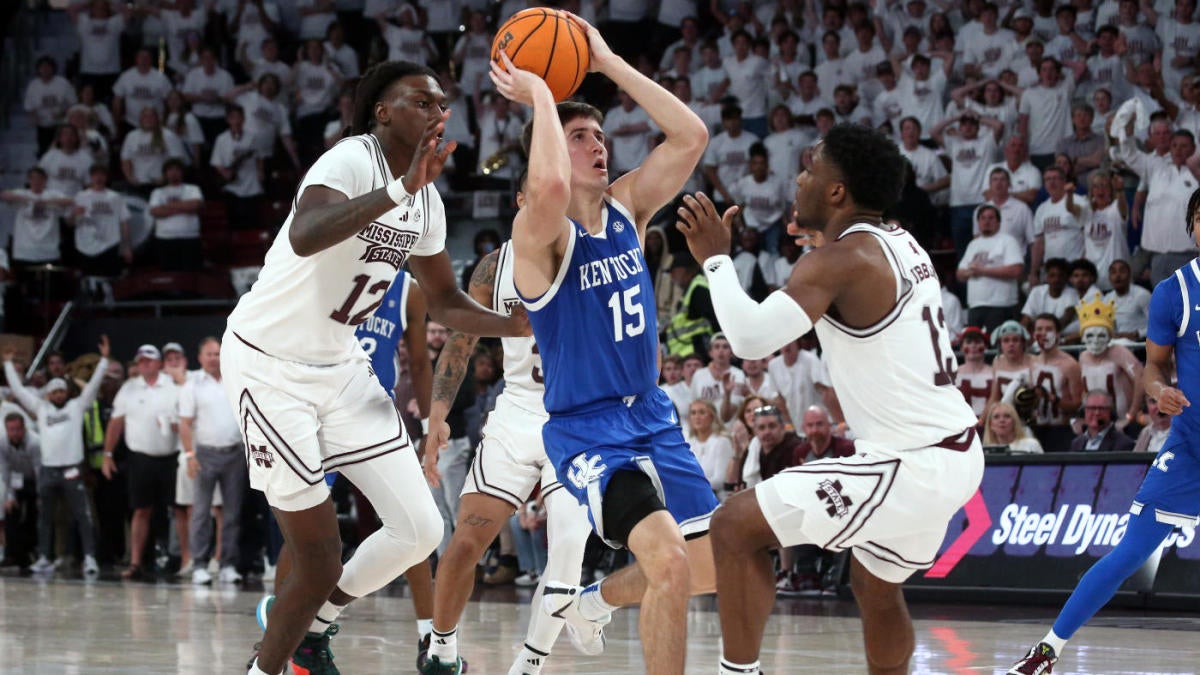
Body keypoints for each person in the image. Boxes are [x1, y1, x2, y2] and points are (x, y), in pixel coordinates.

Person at [220, 60, 525, 675]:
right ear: (382, 112)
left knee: (419, 530)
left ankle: (314, 627)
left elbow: (441, 301)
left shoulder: (428, 201)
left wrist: (516, 325)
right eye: (421, 101)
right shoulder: (350, 159)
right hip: (269, 367)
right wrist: (398, 188)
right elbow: (306, 235)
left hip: (341, 367)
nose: (438, 113)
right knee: (318, 558)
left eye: (443, 104)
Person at [676, 123, 983, 675]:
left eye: (811, 169)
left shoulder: (839, 263)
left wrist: (715, 260)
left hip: (911, 461)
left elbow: (748, 340)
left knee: (733, 527)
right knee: (874, 584)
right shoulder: (897, 242)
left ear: (838, 191)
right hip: (954, 451)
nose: (799, 179)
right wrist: (820, 248)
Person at [490, 17, 720, 672]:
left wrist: (609, 60)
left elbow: (691, 135)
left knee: (709, 566)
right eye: (580, 137)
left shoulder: (627, 208)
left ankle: (592, 600)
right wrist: (539, 95)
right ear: (550, 150)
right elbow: (552, 188)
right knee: (669, 559)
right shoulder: (537, 240)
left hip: (652, 414)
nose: (599, 146)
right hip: (589, 430)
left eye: (598, 134)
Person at [1008, 191, 1200, 675]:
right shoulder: (1173, 291)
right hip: (1191, 446)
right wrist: (1160, 392)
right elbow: (1152, 368)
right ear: (1190, 227)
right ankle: (1048, 650)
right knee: (1130, 551)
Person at [419, 231, 594, 675]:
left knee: (567, 550)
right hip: (516, 411)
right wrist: (437, 414)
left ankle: (530, 664)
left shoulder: (591, 253)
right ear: (522, 199)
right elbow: (461, 342)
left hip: (577, 416)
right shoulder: (494, 268)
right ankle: (441, 651)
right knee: (464, 542)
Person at [351, 267, 439, 662]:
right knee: (310, 538)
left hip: (378, 416)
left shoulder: (408, 289)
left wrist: (427, 428)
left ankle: (429, 639)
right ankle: (277, 644)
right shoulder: (331, 264)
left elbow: (419, 363)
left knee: (415, 525)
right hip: (322, 410)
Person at [3, 337, 108, 575]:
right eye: (55, 391)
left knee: (83, 515)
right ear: (49, 395)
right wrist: (8, 364)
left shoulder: (76, 407)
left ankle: (90, 557)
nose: (59, 394)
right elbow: (19, 391)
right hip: (48, 470)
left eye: (62, 390)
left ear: (66, 392)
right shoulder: (41, 408)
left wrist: (102, 362)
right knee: (45, 517)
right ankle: (43, 557)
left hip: (72, 469)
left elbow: (92, 388)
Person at [101, 344, 182, 580]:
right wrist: (107, 454)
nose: (144, 364)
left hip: (170, 457)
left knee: (179, 509)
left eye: (149, 360)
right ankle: (136, 562)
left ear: (158, 363)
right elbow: (116, 423)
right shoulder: (128, 388)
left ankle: (184, 560)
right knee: (141, 510)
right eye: (141, 361)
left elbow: (186, 419)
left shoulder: (173, 386)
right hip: (141, 458)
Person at [180, 337, 246, 585]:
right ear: (200, 357)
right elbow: (185, 423)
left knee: (232, 512)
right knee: (201, 512)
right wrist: (189, 455)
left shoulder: (234, 378)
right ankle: (199, 564)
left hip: (234, 453)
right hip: (204, 454)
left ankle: (228, 564)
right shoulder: (192, 384)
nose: (214, 358)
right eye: (209, 354)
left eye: (217, 353)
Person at [1076, 295, 1145, 427]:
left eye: (1101, 335)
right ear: (1083, 338)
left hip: (1120, 423)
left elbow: (1140, 378)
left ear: (1109, 337)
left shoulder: (1120, 352)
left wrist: (1131, 415)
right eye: (1090, 335)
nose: (1095, 341)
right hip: (1093, 423)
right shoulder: (1083, 357)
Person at [1069, 390, 1137, 452]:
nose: (1096, 413)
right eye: (1092, 408)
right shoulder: (1076, 443)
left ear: (1110, 412)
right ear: (1084, 412)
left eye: (1101, 408)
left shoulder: (1124, 444)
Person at [955, 326, 993, 419]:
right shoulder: (954, 374)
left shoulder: (993, 373)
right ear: (961, 347)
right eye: (968, 342)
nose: (973, 346)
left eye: (977, 342)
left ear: (986, 346)